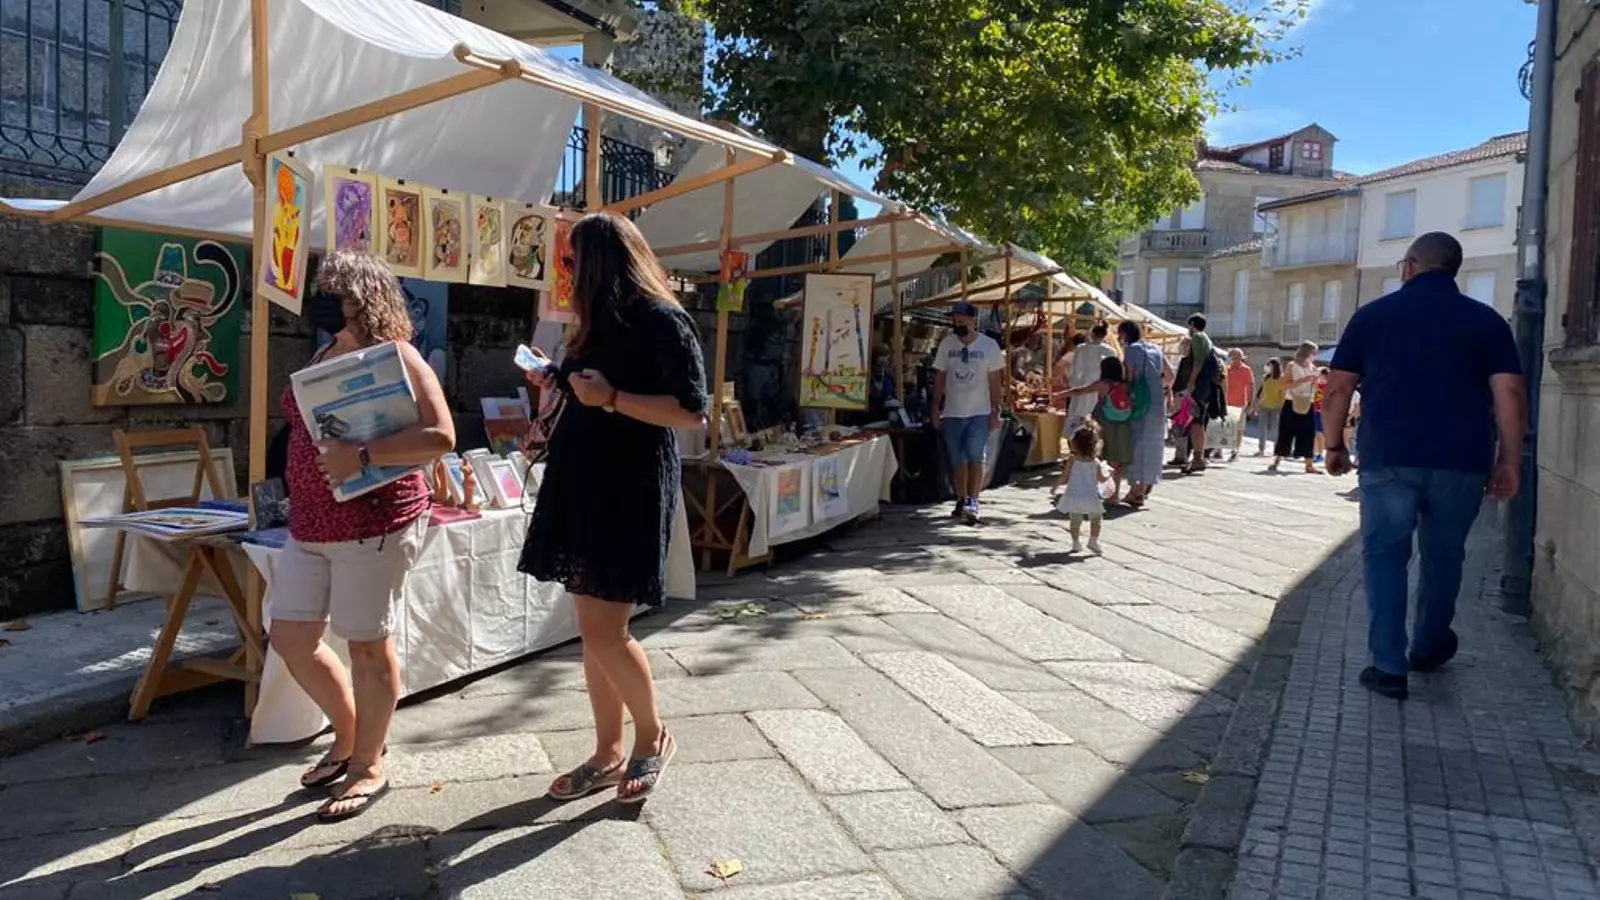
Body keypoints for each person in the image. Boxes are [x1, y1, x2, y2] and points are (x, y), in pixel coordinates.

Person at [520, 211, 709, 800]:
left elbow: (691, 412)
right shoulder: (594, 325)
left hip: (629, 487)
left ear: (600, 263)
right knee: (593, 632)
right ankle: (607, 752)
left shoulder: (662, 319)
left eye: (572, 260)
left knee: (606, 632)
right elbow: (590, 394)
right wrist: (557, 383)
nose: (566, 270)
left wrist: (611, 398)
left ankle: (652, 738)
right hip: (582, 482)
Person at [270, 250, 455, 822]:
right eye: (321, 290)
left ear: (365, 295)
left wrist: (363, 455)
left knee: (368, 646)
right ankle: (350, 736)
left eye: (335, 291)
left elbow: (441, 435)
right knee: (291, 637)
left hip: (373, 523)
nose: (322, 301)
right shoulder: (325, 352)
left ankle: (368, 764)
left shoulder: (398, 354)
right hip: (311, 522)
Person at [1322, 232, 1525, 701]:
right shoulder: (1486, 322)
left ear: (1409, 266)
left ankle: (1388, 667)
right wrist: (1510, 460)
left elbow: (1337, 388)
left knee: (1384, 557)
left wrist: (1334, 445)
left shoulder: (1372, 317)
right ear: (1453, 269)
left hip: (1389, 455)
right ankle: (1430, 645)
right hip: (1462, 458)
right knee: (1445, 555)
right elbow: (1511, 393)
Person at [932, 301, 1005, 524]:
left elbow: (995, 381)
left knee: (976, 455)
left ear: (973, 320)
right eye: (955, 320)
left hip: (979, 411)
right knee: (958, 458)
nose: (957, 324)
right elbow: (940, 376)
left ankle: (974, 500)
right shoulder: (947, 344)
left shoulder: (989, 346)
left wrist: (996, 409)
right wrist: (935, 405)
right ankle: (961, 498)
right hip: (953, 411)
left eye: (961, 320)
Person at [1055, 356, 1133, 504]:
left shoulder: (1103, 384)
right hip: (1122, 426)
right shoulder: (1126, 386)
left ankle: (1093, 491)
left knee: (1096, 458)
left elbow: (1081, 391)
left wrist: (1061, 394)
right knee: (1116, 462)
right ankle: (1114, 495)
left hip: (1103, 424)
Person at [1116, 320, 1172, 508]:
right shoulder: (1156, 348)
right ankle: (1144, 488)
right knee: (1153, 446)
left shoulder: (1131, 350)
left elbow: (1130, 377)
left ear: (1125, 334)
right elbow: (1170, 376)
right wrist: (1155, 387)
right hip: (1157, 403)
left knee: (1136, 444)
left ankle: (1136, 491)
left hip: (1139, 403)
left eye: (1120, 334)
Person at [1055, 420, 1111, 554]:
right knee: (1096, 519)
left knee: (1075, 521)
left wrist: (1055, 487)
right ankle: (1093, 541)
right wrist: (1109, 473)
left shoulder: (1072, 460)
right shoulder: (1095, 462)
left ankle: (1075, 542)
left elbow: (1064, 476)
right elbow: (1101, 479)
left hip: (1074, 494)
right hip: (1091, 496)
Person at [1269, 342, 1321, 474]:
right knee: (1286, 431)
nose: (1315, 355)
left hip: (1308, 402)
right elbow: (1284, 385)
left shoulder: (1313, 367)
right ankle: (1277, 460)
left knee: (1308, 433)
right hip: (1291, 401)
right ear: (1307, 352)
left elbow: (1314, 388)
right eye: (1314, 353)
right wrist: (1302, 380)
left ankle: (1309, 465)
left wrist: (1315, 382)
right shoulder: (1292, 365)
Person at [1180, 313, 1218, 473]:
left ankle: (1197, 459)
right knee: (1199, 422)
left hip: (1199, 386)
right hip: (1206, 386)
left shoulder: (1198, 337)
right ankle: (1198, 458)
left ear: (1192, 325)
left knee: (1196, 422)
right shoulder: (1207, 339)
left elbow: (1198, 362)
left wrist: (1191, 382)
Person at [1064, 323, 1116, 433]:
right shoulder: (1110, 351)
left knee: (1077, 416)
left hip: (1082, 386)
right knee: (1096, 418)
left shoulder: (1080, 349)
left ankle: (1073, 437)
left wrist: (1072, 387)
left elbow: (1075, 371)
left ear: (1091, 333)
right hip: (1100, 388)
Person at [1224, 348, 1254, 461]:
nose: (1234, 359)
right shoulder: (1226, 369)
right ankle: (1219, 448)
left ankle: (1235, 450)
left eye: (1237, 357)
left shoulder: (1246, 370)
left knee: (1238, 428)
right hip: (1226, 402)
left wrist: (1249, 403)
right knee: (1224, 426)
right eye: (1232, 356)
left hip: (1240, 403)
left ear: (1241, 358)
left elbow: (1250, 386)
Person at [1255, 359, 1284, 456]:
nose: (1268, 367)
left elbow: (1282, 394)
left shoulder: (1281, 379)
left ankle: (1276, 449)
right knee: (1262, 428)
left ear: (1275, 367)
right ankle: (1261, 449)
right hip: (1264, 406)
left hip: (1276, 407)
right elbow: (1262, 392)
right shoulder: (1265, 377)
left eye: (1270, 365)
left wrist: (1281, 406)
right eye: (1268, 365)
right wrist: (1258, 404)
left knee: (1275, 429)